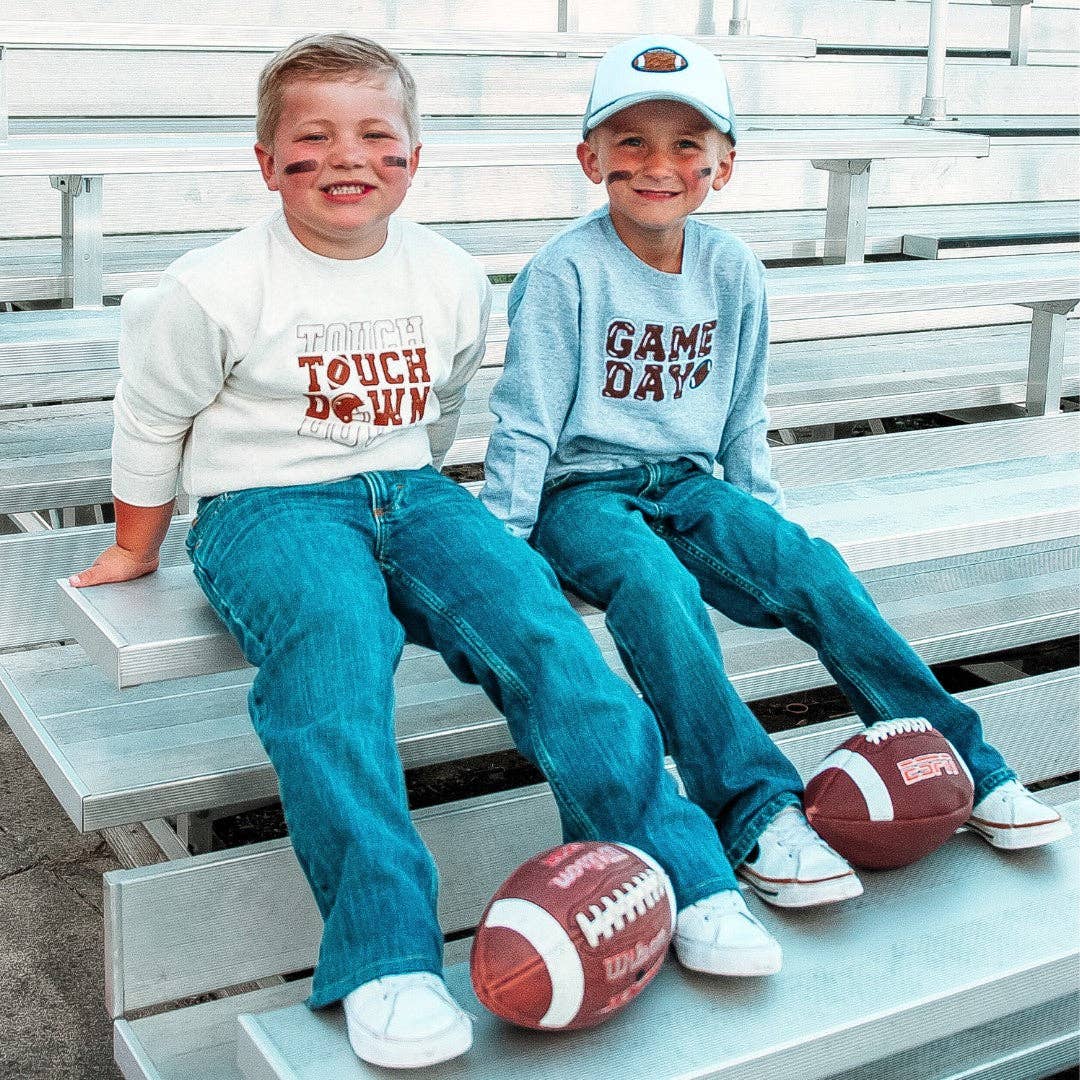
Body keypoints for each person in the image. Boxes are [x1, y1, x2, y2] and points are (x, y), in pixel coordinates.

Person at [70, 33, 787, 1071]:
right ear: (266, 161)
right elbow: (150, 420)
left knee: (542, 629)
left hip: (412, 490)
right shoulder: (211, 287)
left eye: (376, 136)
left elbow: (442, 405)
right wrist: (138, 547)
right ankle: (383, 954)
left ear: (415, 156)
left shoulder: (450, 274)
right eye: (312, 139)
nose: (347, 158)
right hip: (266, 506)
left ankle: (679, 872)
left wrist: (416, 515)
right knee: (335, 644)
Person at [482, 33, 1071, 921]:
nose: (658, 165)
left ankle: (964, 763)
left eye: (687, 144)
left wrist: (761, 529)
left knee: (814, 569)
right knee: (655, 587)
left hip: (688, 483)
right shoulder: (565, 272)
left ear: (724, 166)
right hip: (583, 493)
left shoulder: (731, 268)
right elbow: (525, 422)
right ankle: (754, 810)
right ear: (590, 157)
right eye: (631, 141)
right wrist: (507, 551)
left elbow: (741, 413)